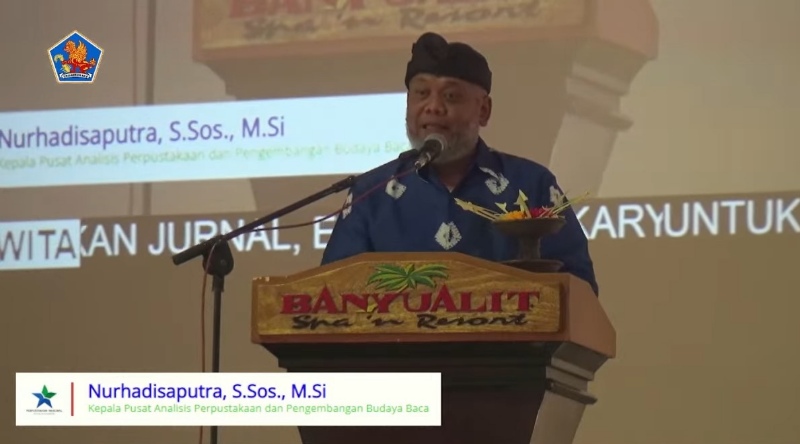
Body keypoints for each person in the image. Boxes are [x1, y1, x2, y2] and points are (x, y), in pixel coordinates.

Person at [321, 32, 599, 296]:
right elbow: (332, 293)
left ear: (483, 110)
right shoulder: (371, 193)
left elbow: (578, 287)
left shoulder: (531, 184)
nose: (433, 107)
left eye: (451, 96)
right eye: (421, 93)